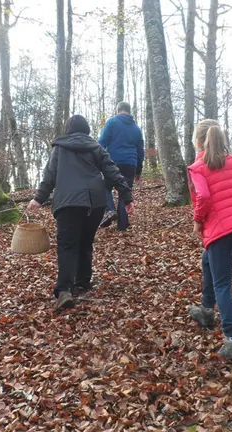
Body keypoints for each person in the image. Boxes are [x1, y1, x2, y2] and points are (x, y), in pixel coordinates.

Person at [28, 115, 135, 311]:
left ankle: (64, 290)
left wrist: (38, 198)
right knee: (86, 242)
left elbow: (49, 176)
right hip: (95, 202)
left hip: (68, 202)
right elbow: (113, 171)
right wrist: (126, 197)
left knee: (68, 245)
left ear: (68, 129)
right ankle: (82, 282)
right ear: (86, 130)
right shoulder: (96, 147)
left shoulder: (60, 148)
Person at [186, 119, 232, 363]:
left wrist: (198, 220)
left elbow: (203, 196)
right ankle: (206, 311)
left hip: (220, 231)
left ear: (198, 141)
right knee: (209, 260)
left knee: (222, 283)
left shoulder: (198, 167)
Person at [98, 101, 144, 231]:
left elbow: (101, 143)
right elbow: (140, 151)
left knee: (104, 186)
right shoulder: (136, 128)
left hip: (113, 162)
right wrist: (138, 170)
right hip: (131, 164)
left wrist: (98, 160)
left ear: (117, 110)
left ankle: (110, 210)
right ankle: (122, 225)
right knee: (124, 192)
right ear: (129, 111)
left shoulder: (112, 122)